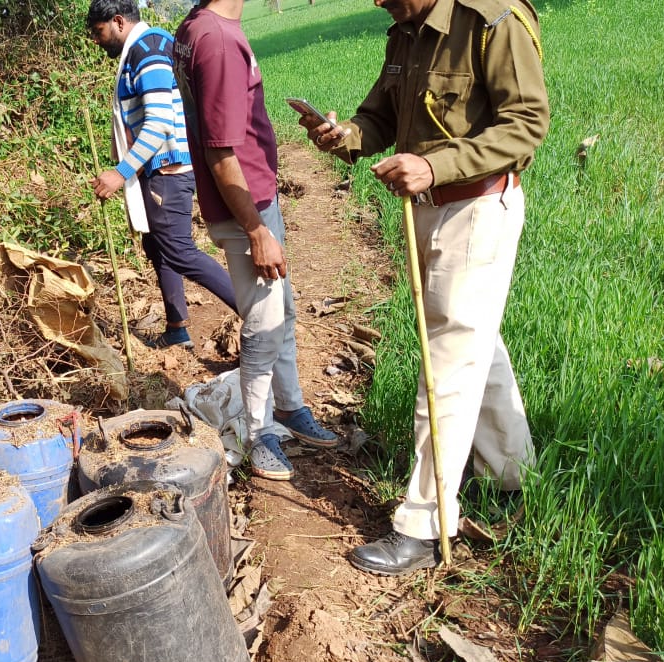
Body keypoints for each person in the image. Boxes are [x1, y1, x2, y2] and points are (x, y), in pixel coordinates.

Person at [303, 0, 548, 575]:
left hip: (477, 209)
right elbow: (380, 119)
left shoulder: (492, 20)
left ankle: (423, 523)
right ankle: (512, 475)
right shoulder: (406, 33)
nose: (375, 1)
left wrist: (436, 168)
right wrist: (342, 135)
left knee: (445, 367)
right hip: (426, 211)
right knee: (472, 345)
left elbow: (527, 124)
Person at [173, 0, 340, 480]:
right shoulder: (220, 41)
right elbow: (221, 151)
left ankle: (288, 407)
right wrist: (257, 230)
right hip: (245, 206)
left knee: (279, 307)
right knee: (263, 321)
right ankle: (259, 430)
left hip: (251, 197)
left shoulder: (197, 27)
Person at [85, 0, 238, 350]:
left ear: (119, 21)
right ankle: (177, 326)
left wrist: (120, 173)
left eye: (99, 32)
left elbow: (158, 124)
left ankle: (259, 318)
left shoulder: (148, 51)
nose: (97, 40)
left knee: (180, 251)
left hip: (169, 170)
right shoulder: (142, 50)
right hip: (157, 170)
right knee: (156, 245)